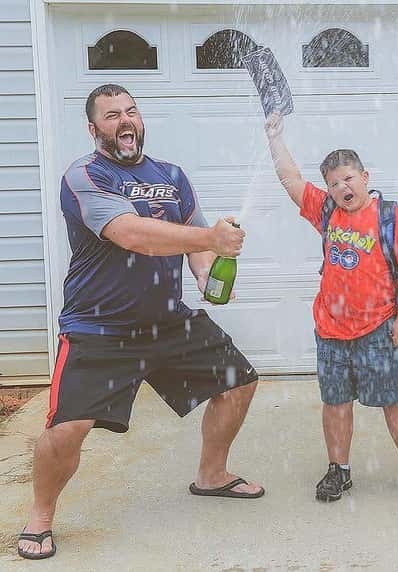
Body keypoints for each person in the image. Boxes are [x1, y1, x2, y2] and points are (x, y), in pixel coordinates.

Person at [17, 84, 263, 561]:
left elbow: (197, 248)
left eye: (131, 111)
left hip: (166, 323)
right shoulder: (84, 176)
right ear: (94, 129)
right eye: (111, 115)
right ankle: (40, 516)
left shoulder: (172, 176)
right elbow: (130, 234)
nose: (124, 120)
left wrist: (211, 267)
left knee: (239, 383)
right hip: (98, 329)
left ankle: (211, 474)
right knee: (68, 428)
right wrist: (206, 235)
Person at [264, 112, 398, 503]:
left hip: (380, 328)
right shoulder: (326, 210)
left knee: (396, 402)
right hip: (331, 329)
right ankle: (338, 470)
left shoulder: (390, 216)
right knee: (336, 402)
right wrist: (275, 138)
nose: (342, 187)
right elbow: (291, 180)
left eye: (348, 178)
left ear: (365, 177)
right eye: (333, 182)